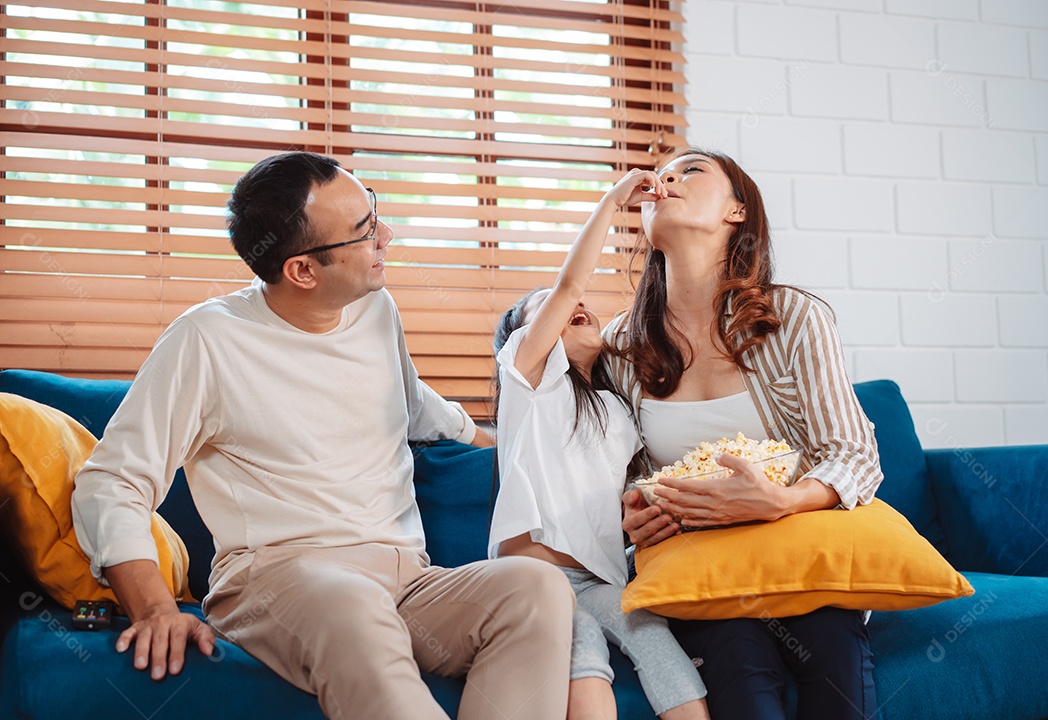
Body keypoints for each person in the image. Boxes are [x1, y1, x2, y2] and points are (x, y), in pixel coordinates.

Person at [71, 151, 576, 720]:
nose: (387, 234)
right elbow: (112, 481)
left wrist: (514, 447)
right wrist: (153, 607)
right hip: (278, 580)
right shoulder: (205, 340)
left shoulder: (375, 309)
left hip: (407, 579)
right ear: (303, 271)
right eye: (364, 231)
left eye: (375, 213)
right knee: (352, 602)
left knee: (536, 589)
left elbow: (413, 406)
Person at [605, 147, 884, 720]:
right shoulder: (622, 347)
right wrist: (628, 515)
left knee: (834, 655)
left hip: (800, 557)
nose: (668, 179)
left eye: (691, 170)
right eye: (662, 176)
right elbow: (617, 475)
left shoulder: (795, 319)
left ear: (737, 211)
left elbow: (854, 454)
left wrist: (781, 500)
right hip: (701, 570)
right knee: (737, 660)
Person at [489, 169, 711, 720]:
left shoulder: (617, 408)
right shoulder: (530, 381)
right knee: (582, 648)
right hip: (534, 576)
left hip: (601, 577)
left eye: (584, 308)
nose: (574, 307)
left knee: (657, 641)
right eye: (550, 313)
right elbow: (568, 287)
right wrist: (614, 202)